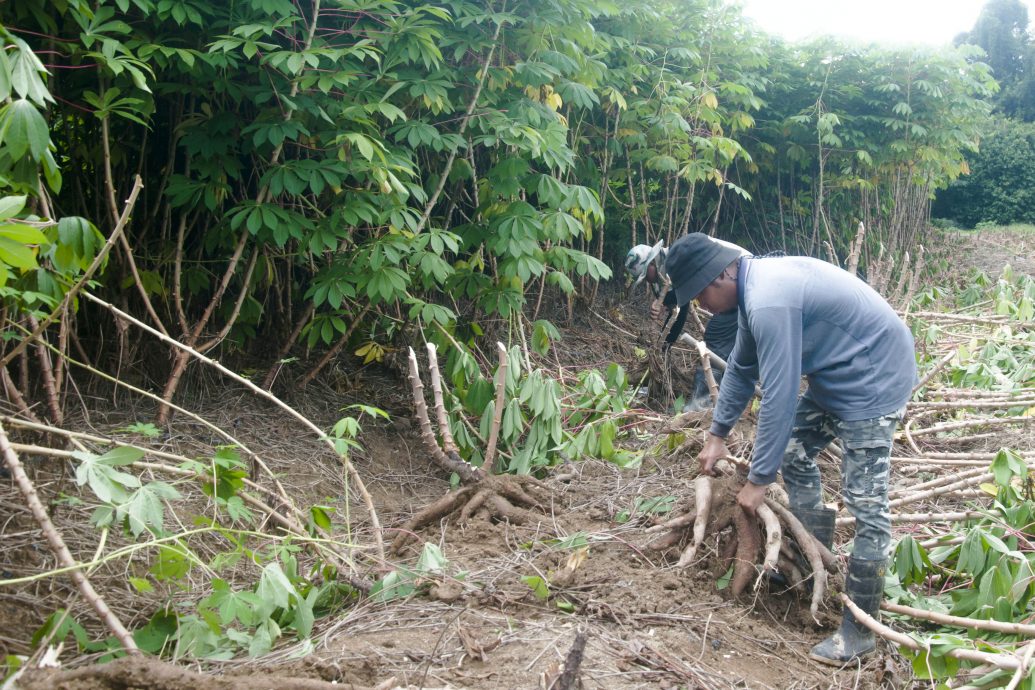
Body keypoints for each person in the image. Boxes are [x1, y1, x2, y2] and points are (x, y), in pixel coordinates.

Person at [658, 232, 916, 666]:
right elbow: (741, 368)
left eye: (700, 293)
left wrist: (759, 480)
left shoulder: (769, 301)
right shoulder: (753, 289)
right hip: (837, 374)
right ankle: (808, 561)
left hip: (874, 377)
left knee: (868, 504)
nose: (701, 306)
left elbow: (778, 393)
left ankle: (860, 632)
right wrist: (716, 434)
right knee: (797, 450)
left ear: (723, 274)